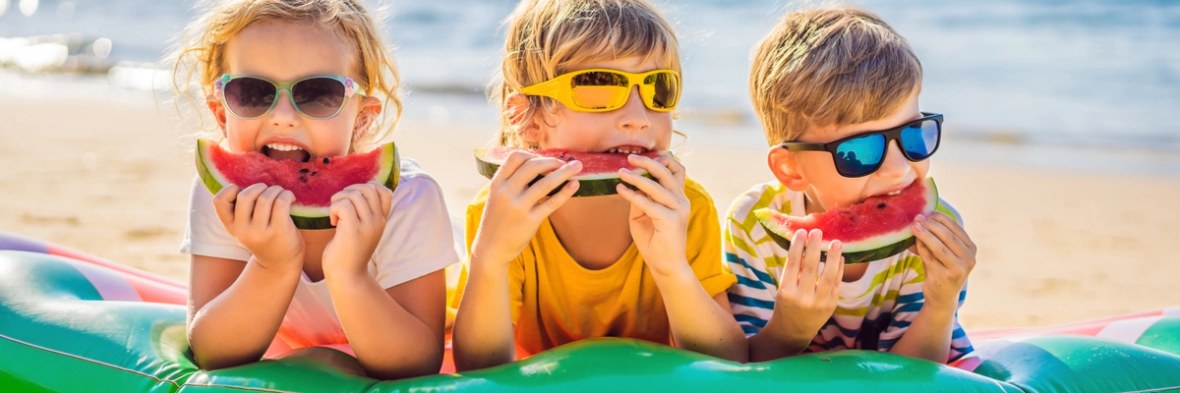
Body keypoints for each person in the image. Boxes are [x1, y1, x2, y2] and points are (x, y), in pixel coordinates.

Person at [450, 0, 747, 371]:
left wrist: (672, 269)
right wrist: (490, 259)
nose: (638, 119)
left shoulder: (684, 207)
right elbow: (479, 368)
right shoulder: (502, 209)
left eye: (659, 88)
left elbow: (727, 363)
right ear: (527, 118)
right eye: (598, 86)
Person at [173, 0, 456, 379]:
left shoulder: (406, 200)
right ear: (222, 113)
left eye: (319, 94)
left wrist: (349, 273)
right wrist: (272, 265)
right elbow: (212, 352)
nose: (284, 117)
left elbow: (418, 364)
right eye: (252, 92)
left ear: (362, 118)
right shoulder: (222, 195)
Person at [726, 6, 976, 363]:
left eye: (914, 134)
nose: (898, 168)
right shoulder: (753, 226)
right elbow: (745, 363)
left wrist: (941, 302)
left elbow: (918, 374)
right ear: (791, 168)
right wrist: (791, 327)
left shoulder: (934, 233)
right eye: (860, 150)